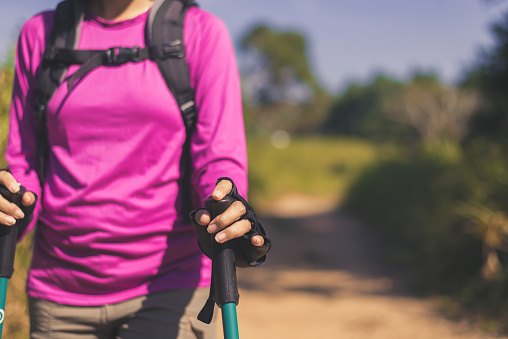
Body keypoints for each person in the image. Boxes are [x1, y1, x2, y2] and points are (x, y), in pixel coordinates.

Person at [1, 0, 270, 338]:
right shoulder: (40, 34)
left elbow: (217, 155)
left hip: (170, 287)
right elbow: (24, 163)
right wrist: (11, 203)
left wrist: (225, 203)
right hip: (59, 291)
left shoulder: (199, 32)